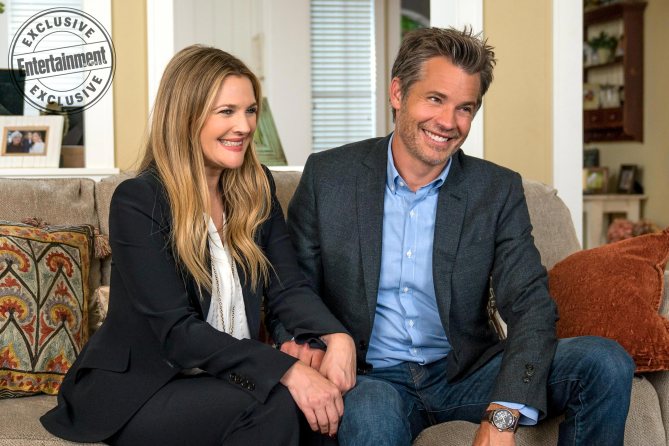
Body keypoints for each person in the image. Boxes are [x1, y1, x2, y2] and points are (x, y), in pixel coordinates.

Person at [272, 27, 635, 446]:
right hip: (373, 377)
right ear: (397, 92)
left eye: (465, 108)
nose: (448, 122)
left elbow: (531, 306)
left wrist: (503, 415)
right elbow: (292, 290)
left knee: (605, 362)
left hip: (467, 373)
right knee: (370, 417)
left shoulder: (495, 190)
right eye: (435, 99)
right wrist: (307, 344)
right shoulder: (329, 177)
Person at [41, 45, 356, 446]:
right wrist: (287, 370)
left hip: (224, 380)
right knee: (277, 403)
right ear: (186, 116)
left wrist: (336, 336)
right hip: (141, 390)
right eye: (226, 111)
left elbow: (288, 287)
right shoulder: (139, 201)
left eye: (250, 110)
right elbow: (177, 332)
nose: (244, 126)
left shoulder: (257, 187)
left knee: (320, 410)